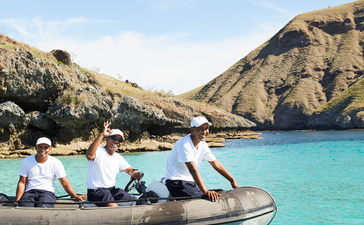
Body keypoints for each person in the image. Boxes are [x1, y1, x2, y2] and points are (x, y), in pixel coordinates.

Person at [165, 116, 239, 202]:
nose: (204, 132)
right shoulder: (184, 144)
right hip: (176, 182)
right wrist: (205, 191)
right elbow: (193, 169)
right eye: (200, 128)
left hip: (190, 183)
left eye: (206, 128)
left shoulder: (202, 144)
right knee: (207, 199)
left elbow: (215, 163)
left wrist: (232, 180)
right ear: (192, 130)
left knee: (218, 192)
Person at [16, 137, 85, 208]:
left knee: (43, 209)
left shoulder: (56, 162)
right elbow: (22, 182)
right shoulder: (26, 161)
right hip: (30, 192)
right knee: (24, 209)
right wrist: (17, 201)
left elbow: (64, 182)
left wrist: (74, 195)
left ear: (50, 149)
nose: (42, 150)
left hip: (47, 192)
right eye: (40, 147)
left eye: (45, 147)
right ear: (35, 147)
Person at [86, 121, 141, 207]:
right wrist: (101, 135)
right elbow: (89, 155)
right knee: (113, 206)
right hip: (96, 192)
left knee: (138, 201)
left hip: (111, 190)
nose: (116, 141)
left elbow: (129, 170)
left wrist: (135, 173)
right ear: (107, 139)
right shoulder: (99, 152)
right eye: (114, 138)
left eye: (120, 140)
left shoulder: (118, 157)